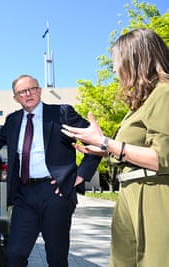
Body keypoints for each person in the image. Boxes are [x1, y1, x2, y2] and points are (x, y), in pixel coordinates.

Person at [0, 74, 101, 267]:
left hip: (56, 192)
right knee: (14, 253)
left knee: (56, 256)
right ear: (16, 97)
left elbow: (97, 141)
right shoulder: (13, 120)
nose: (28, 94)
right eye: (22, 92)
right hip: (24, 194)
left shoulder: (62, 113)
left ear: (40, 91)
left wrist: (80, 175)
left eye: (32, 89)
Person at [61, 28, 169, 266]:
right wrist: (104, 148)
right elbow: (135, 147)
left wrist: (107, 143)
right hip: (131, 193)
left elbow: (163, 158)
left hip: (154, 195)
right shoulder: (143, 102)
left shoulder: (164, 94)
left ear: (136, 59)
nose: (113, 69)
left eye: (116, 62)